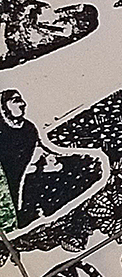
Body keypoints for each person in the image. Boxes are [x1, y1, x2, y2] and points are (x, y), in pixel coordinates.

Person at [0, 90, 102, 229]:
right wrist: (37, 167)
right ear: (4, 107)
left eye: (21, 100)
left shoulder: (29, 128)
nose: (23, 104)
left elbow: (49, 149)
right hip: (16, 189)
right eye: (16, 101)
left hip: (35, 175)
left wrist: (81, 156)